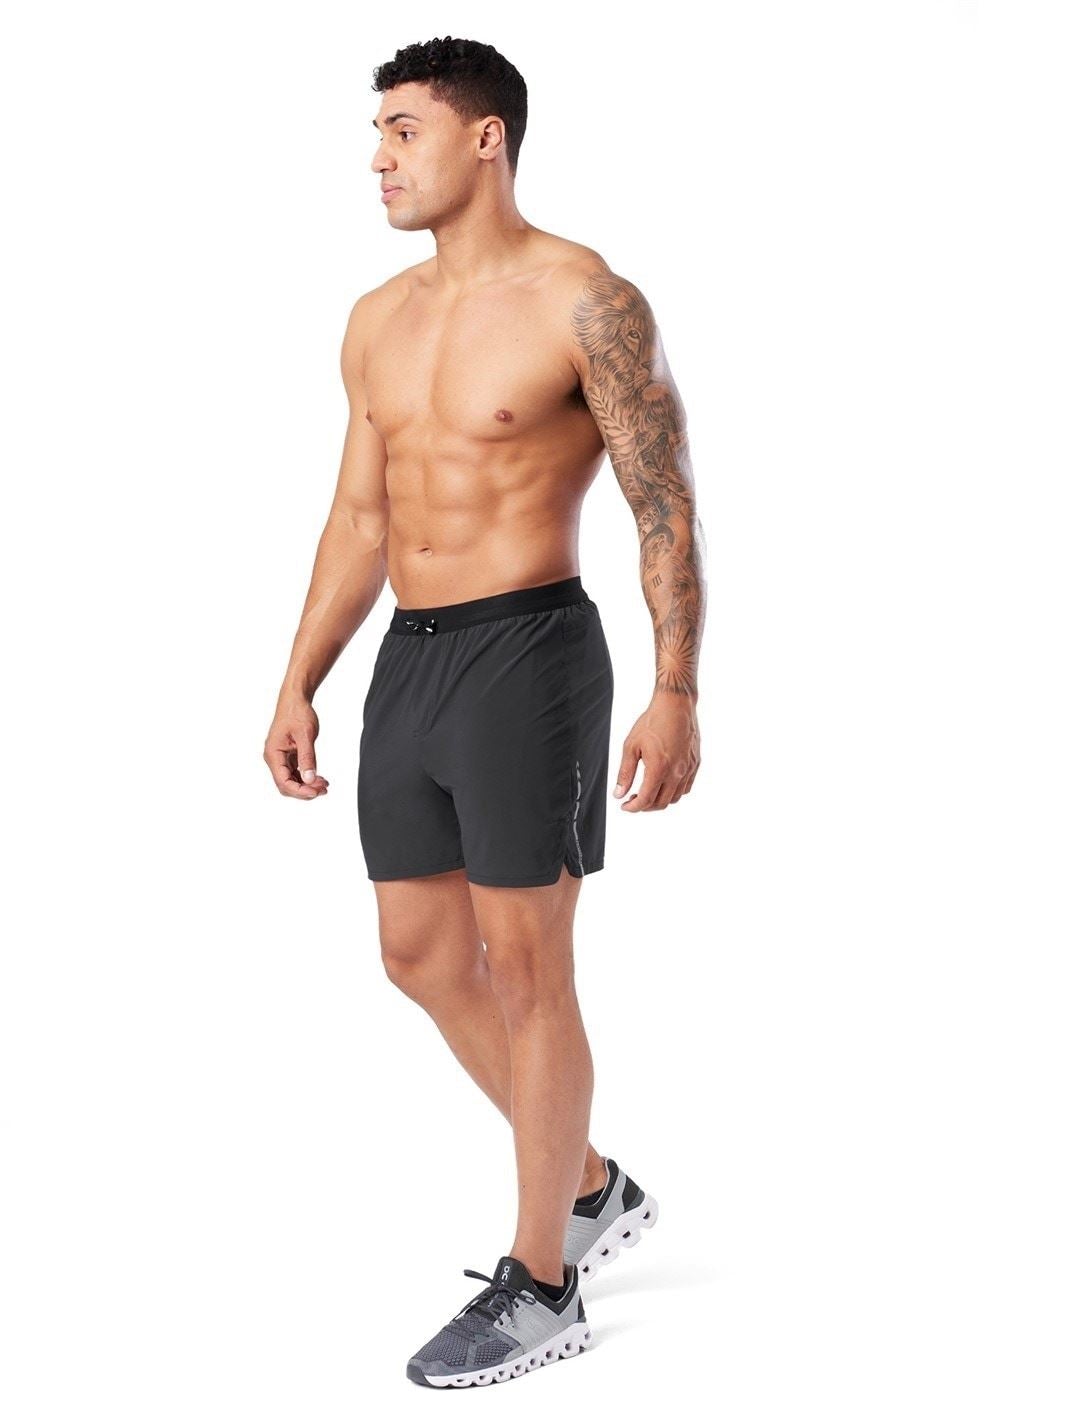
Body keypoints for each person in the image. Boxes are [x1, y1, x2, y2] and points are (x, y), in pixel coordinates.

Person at [264, 35, 705, 1388]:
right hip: (412, 655)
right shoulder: (375, 319)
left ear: (484, 138)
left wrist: (675, 688)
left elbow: (663, 505)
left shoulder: (586, 300)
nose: (378, 159)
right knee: (416, 953)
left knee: (526, 968)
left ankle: (544, 1280)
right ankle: (590, 1182)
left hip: (531, 654)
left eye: (402, 130)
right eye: (376, 134)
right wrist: (298, 675)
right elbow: (359, 515)